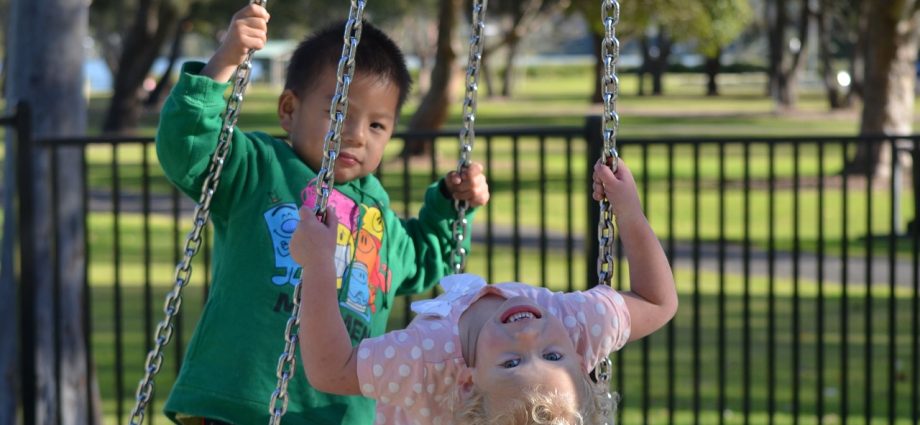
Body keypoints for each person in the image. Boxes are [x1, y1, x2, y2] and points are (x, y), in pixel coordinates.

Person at [155, 4, 490, 424]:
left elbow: (428, 259)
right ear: (289, 111)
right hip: (240, 404)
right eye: (339, 114)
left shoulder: (377, 216)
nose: (355, 136)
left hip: (337, 413)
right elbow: (187, 146)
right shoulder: (257, 169)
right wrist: (224, 61)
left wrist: (453, 201)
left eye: (377, 126)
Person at [292, 159, 678, 424]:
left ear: (468, 379)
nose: (529, 337)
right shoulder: (575, 326)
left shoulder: (426, 362)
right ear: (580, 359)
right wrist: (629, 210)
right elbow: (658, 302)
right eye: (552, 355)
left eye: (511, 363)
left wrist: (319, 263)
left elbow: (332, 371)